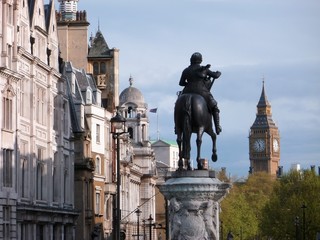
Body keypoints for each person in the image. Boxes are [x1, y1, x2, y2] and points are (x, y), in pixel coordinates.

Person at [179, 52, 222, 134]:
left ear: (191, 60)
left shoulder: (186, 70)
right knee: (214, 107)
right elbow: (215, 76)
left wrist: (189, 84)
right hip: (201, 91)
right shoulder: (204, 69)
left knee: (177, 104)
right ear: (200, 60)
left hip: (186, 91)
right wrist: (219, 73)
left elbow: (181, 83)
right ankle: (217, 127)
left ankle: (176, 127)